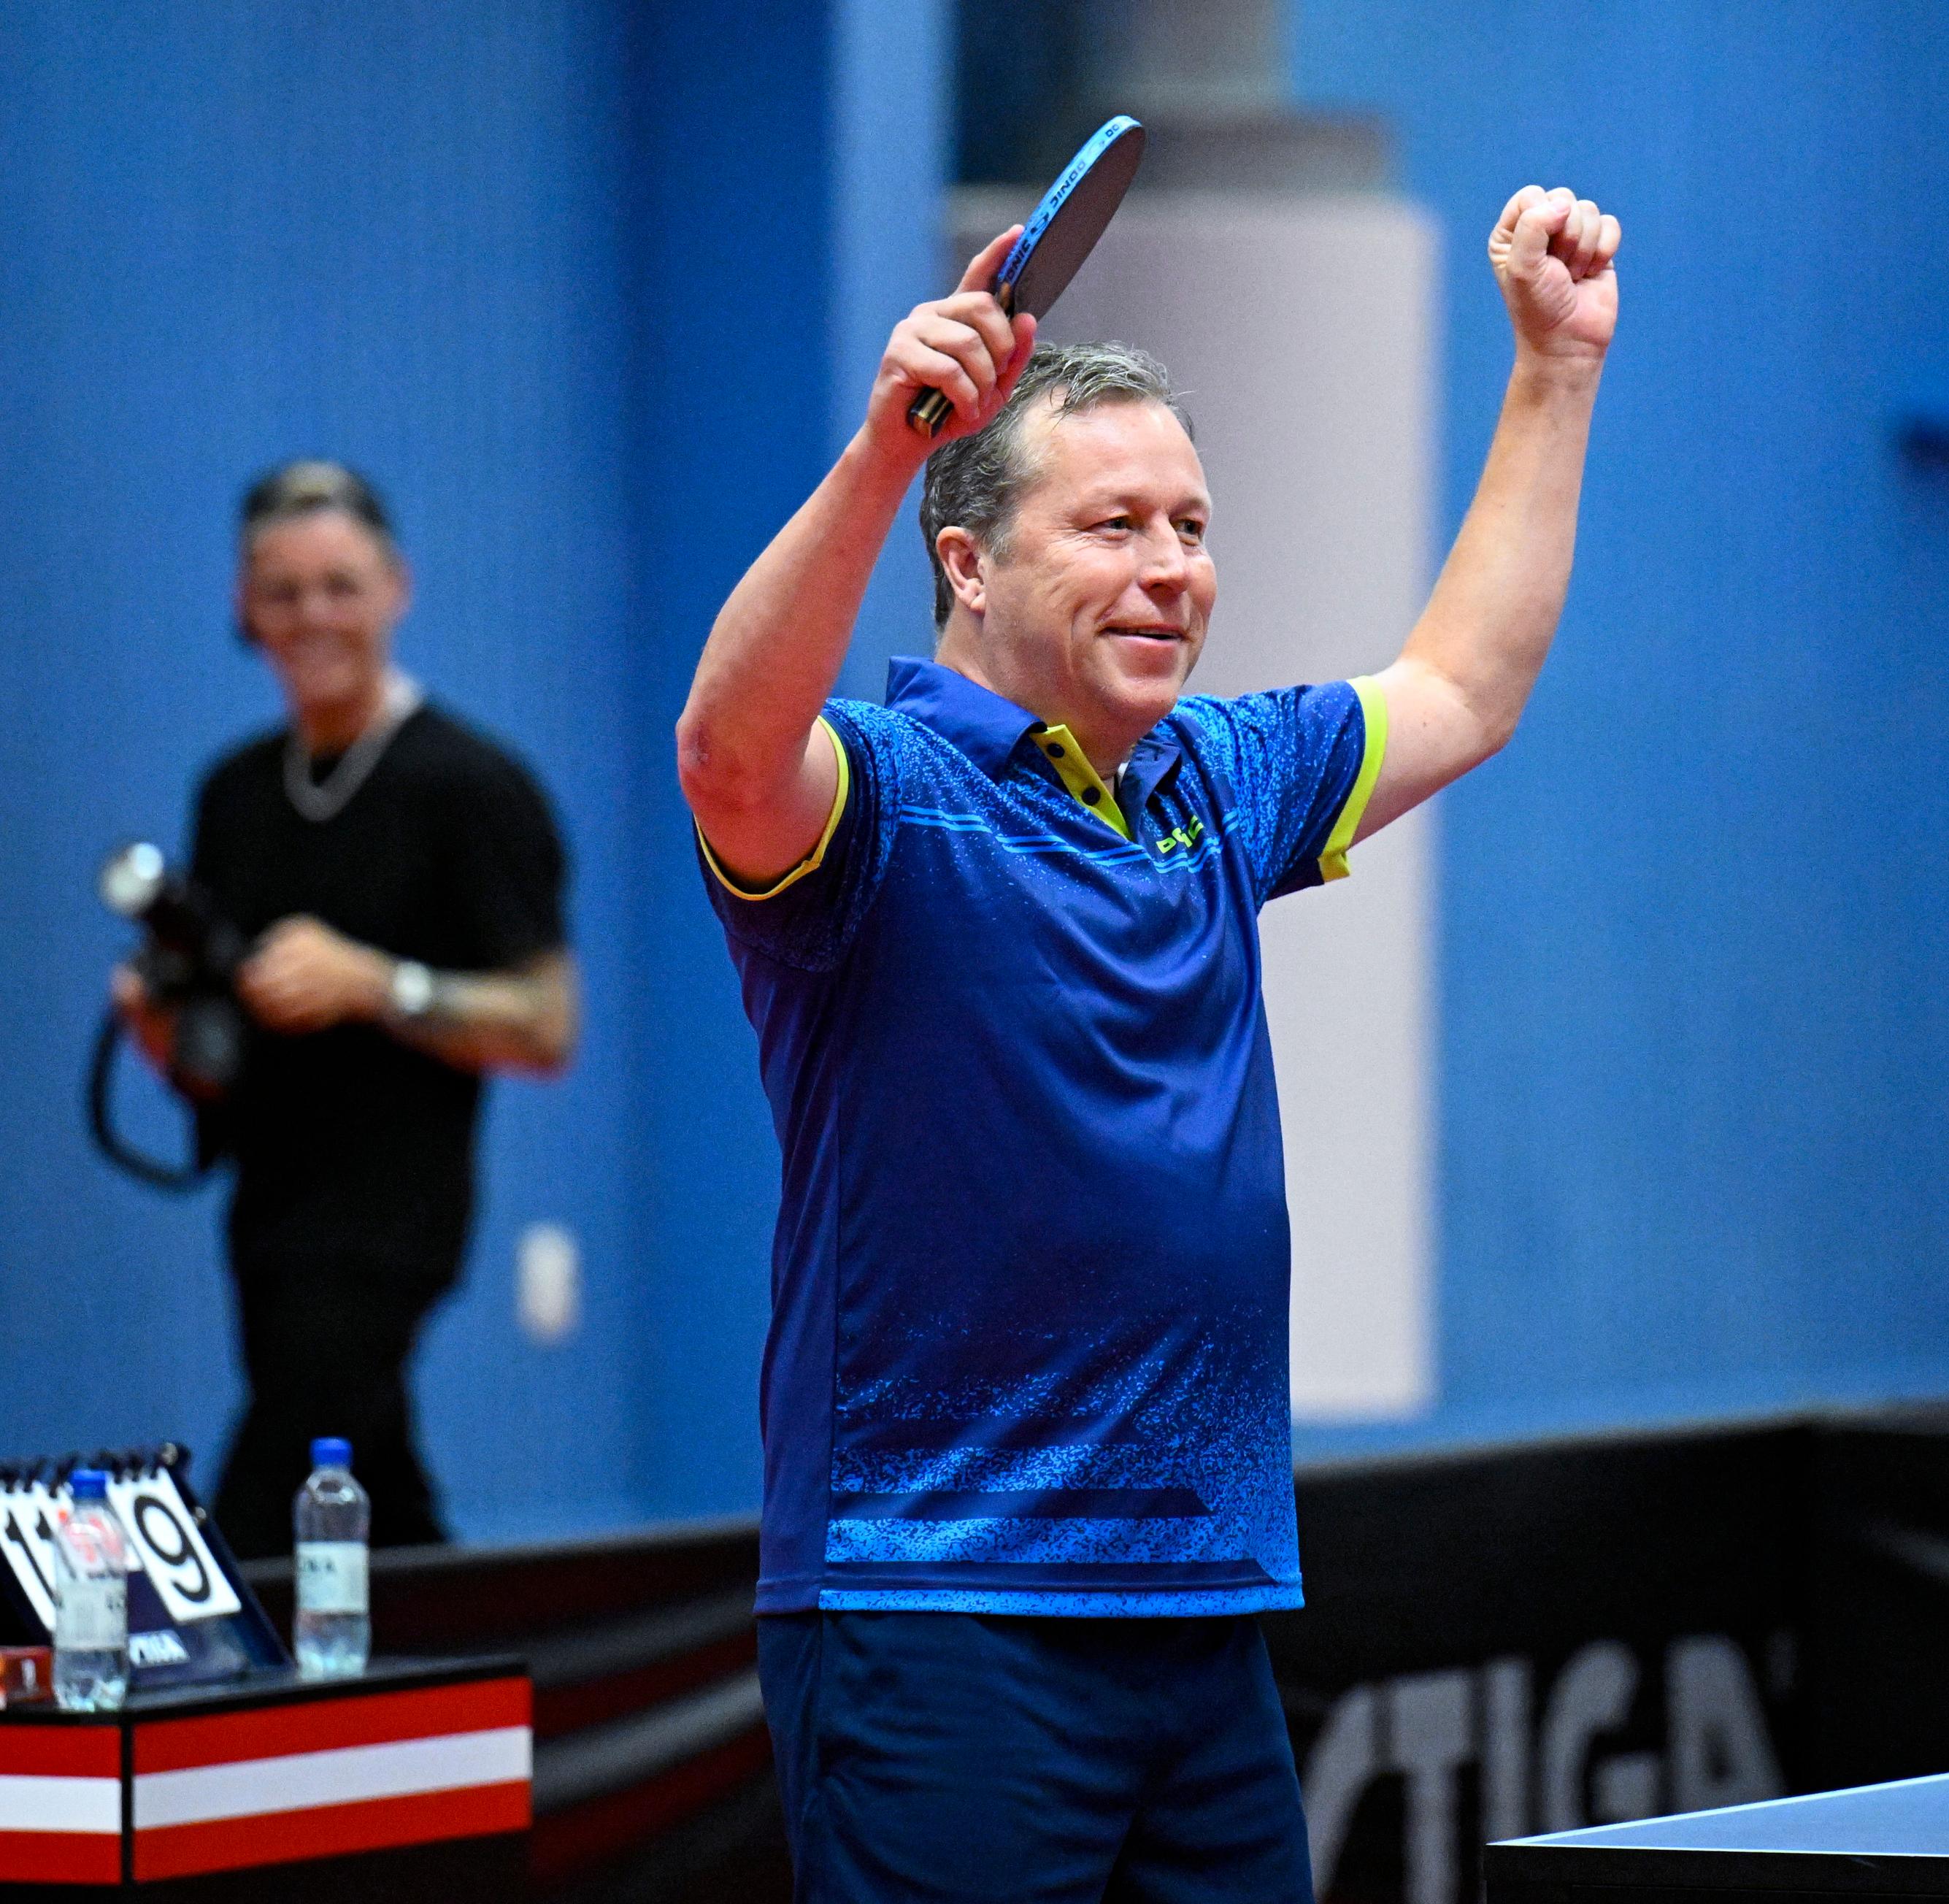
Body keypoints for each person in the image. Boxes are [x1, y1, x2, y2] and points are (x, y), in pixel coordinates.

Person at [678, 185, 1618, 1897]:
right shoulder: (883, 802)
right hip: (937, 1605)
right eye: (1114, 524)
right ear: (966, 561)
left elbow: (1463, 688)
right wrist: (889, 449)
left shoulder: (1219, 781)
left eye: (1190, 523)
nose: (1173, 569)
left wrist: (1555, 369)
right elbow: (730, 755)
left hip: (1202, 1609)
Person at [112, 461, 576, 1559]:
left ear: (395, 588)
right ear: (243, 607)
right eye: (283, 591)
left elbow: (547, 1025)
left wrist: (379, 983)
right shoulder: (231, 793)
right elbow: (220, 1042)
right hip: (265, 1207)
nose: (312, 616)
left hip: (390, 1216)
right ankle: (528, 1698)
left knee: (266, 1498)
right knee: (371, 1496)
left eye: (338, 585)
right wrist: (159, 1032)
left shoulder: (470, 785)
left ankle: (187, 1675)